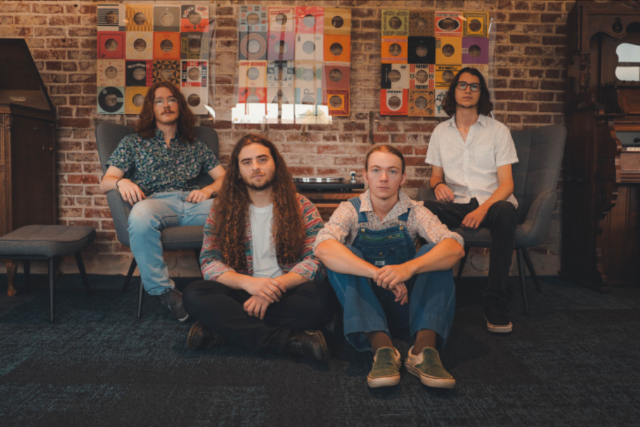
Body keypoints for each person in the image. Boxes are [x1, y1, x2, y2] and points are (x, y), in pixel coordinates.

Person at [314, 145, 464, 389]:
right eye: (376, 170)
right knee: (342, 253)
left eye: (392, 171)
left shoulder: (416, 211)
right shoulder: (349, 209)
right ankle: (382, 349)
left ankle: (423, 351)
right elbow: (322, 248)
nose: (383, 178)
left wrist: (408, 269)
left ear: (403, 177)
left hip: (405, 307)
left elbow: (455, 247)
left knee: (435, 252)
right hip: (362, 306)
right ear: (365, 175)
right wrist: (378, 274)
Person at [182, 134, 335, 362]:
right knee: (194, 294)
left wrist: (271, 291)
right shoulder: (222, 208)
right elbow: (209, 260)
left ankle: (224, 330)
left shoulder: (302, 206)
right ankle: (290, 341)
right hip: (242, 291)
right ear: (238, 171)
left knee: (322, 298)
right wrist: (249, 284)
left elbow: (316, 260)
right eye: (247, 162)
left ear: (275, 164)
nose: (255, 167)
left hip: (286, 291)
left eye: (262, 159)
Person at [99, 81, 226, 322]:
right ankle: (166, 293)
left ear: (180, 106)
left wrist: (208, 190)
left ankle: (231, 282)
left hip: (193, 203)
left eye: (171, 99)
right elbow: (105, 182)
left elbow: (225, 178)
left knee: (236, 210)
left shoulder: (196, 145)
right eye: (159, 101)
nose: (166, 105)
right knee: (139, 214)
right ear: (151, 108)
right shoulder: (133, 143)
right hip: (156, 203)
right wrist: (121, 182)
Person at [424, 67, 519, 334]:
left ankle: (495, 301)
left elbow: (507, 185)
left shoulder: (498, 131)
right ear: (454, 91)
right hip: (459, 205)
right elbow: (435, 177)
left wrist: (482, 210)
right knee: (425, 209)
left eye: (474, 86)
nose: (468, 90)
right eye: (462, 85)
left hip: (494, 203)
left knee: (505, 211)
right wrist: (439, 185)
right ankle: (429, 294)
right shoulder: (440, 132)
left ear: (481, 93)